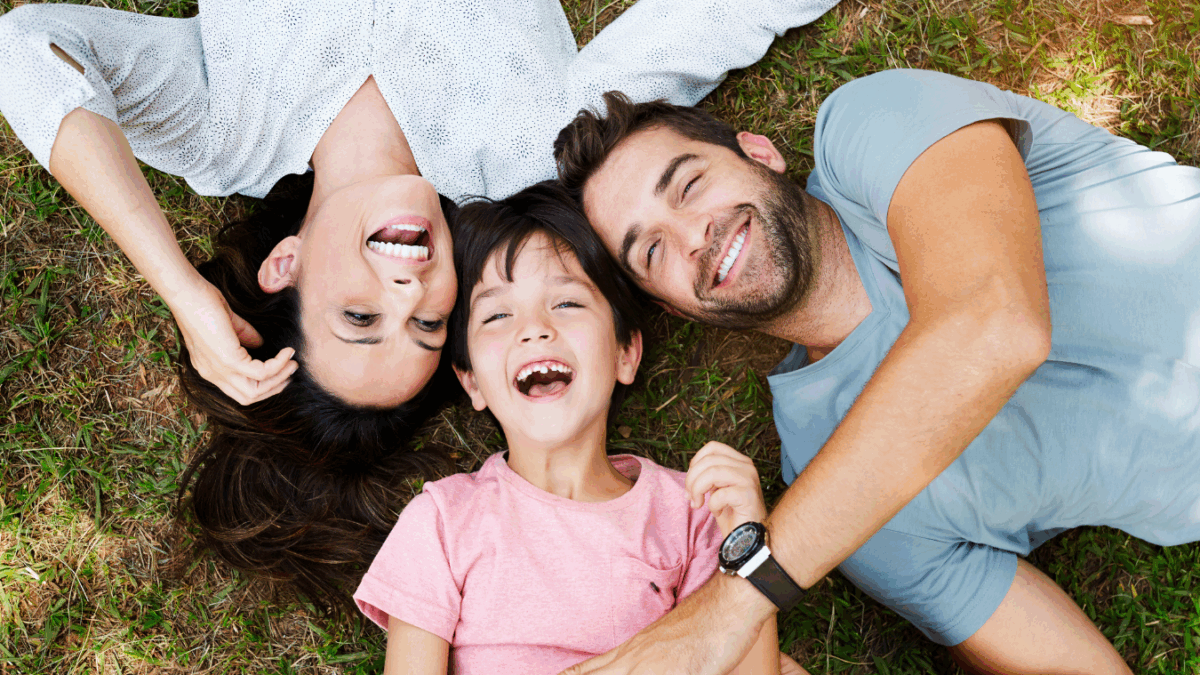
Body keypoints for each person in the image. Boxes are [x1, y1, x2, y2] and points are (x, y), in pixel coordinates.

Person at [0, 0, 839, 608]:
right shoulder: (529, 144)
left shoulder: (222, 130)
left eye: (360, 319)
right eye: (429, 323)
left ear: (287, 264)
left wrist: (181, 289)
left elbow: (27, 48)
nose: (408, 290)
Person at [549, 69, 1200, 674]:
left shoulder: (871, 127)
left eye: (689, 185)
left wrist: (734, 603)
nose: (693, 236)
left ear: (759, 153)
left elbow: (996, 323)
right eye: (652, 250)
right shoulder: (836, 499)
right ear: (673, 307)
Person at [352, 182, 808, 675]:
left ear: (625, 352)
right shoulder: (442, 521)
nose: (533, 328)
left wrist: (749, 541)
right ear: (472, 382)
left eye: (566, 303)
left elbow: (744, 652)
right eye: (497, 314)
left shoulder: (695, 511)